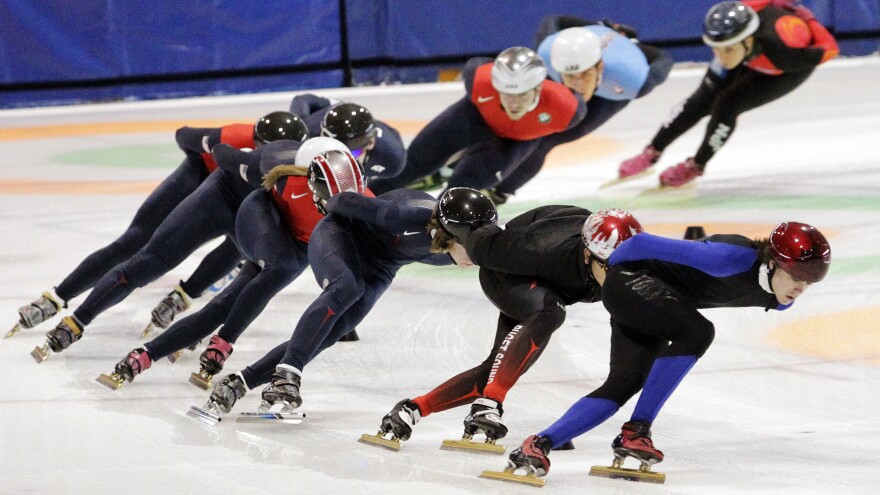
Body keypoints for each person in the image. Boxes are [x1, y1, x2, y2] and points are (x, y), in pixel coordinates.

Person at [493, 221, 831, 484]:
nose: (801, 287)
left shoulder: (779, 298)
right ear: (772, 263)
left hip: (655, 300)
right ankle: (636, 431)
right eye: (796, 276)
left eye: (810, 281)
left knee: (626, 381)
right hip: (631, 282)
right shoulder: (732, 257)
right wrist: (613, 281)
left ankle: (538, 445)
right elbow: (637, 243)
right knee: (698, 331)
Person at [188, 187, 494, 423]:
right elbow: (340, 200)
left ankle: (240, 383)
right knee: (346, 288)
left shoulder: (470, 241)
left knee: (335, 329)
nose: (479, 254)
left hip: (382, 266)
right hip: (339, 235)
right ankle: (287, 375)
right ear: (450, 235)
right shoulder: (401, 215)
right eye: (474, 247)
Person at [30, 113, 310, 362]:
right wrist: (213, 148)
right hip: (217, 191)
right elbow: (186, 136)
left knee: (248, 275)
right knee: (148, 256)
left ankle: (189, 300)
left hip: (254, 209)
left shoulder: (302, 177)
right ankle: (77, 317)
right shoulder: (238, 137)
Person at [364, 208, 644, 452]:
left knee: (500, 366)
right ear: (587, 255)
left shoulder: (617, 264)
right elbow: (482, 240)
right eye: (610, 267)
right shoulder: (538, 246)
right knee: (549, 312)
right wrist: (453, 230)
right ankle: (488, 405)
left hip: (545, 283)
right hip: (505, 267)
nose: (619, 274)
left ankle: (412, 409)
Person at [96, 139, 361, 390]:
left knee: (225, 305)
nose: (337, 203)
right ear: (307, 178)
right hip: (260, 218)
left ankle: (144, 355)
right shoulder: (278, 167)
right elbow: (224, 154)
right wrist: (218, 145)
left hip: (296, 242)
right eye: (327, 193)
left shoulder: (362, 200)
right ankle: (224, 342)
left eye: (345, 194)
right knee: (282, 266)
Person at [617, 0, 838, 188]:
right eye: (715, 48)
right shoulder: (736, 22)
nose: (721, 56)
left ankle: (697, 164)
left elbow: (830, 48)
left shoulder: (782, 47)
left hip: (779, 71)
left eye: (727, 49)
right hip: (747, 53)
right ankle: (652, 151)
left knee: (727, 105)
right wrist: (730, 50)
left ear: (749, 39)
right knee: (699, 101)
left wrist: (808, 18)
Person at [482, 15, 673, 203]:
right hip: (575, 72)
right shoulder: (548, 50)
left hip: (611, 91)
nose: (578, 84)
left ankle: (500, 193)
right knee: (525, 126)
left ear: (600, 66)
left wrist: (640, 61)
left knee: (549, 140)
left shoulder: (631, 76)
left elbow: (663, 59)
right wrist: (596, 26)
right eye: (572, 76)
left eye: (584, 75)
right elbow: (553, 21)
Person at [367, 46, 586, 196]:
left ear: (538, 88)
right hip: (474, 117)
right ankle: (355, 203)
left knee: (462, 187)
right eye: (506, 93)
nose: (513, 103)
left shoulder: (567, 109)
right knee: (410, 166)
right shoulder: (479, 79)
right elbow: (478, 64)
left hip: (516, 140)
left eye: (521, 94)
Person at [290, 95, 406, 182]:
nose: (341, 161)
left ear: (371, 143)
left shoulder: (392, 158)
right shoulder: (306, 136)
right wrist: (299, 122)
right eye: (331, 153)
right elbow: (300, 100)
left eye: (351, 154)